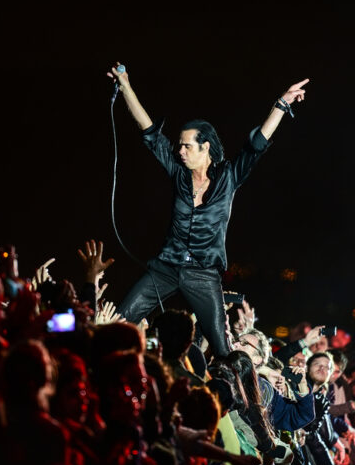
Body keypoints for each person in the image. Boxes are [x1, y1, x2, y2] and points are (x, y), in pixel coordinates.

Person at [108, 63, 309, 357]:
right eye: (179, 146)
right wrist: (125, 85)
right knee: (119, 323)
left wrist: (281, 104)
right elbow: (149, 131)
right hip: (166, 268)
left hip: (203, 274)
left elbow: (257, 145)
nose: (180, 151)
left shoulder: (228, 176)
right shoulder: (178, 173)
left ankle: (240, 387)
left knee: (222, 348)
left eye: (187, 146)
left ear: (206, 148)